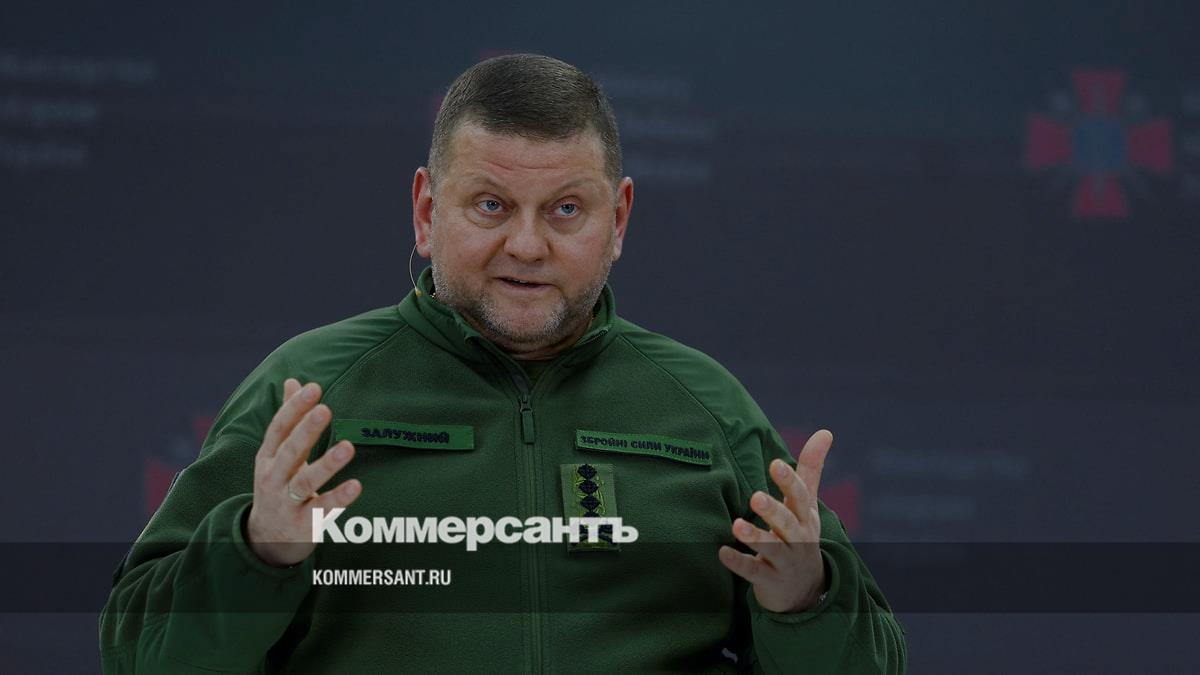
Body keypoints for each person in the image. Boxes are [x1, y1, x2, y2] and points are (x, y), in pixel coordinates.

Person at [100, 53, 906, 673]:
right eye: (490, 205)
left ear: (618, 220)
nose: (526, 244)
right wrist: (255, 553)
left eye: (565, 210)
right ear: (427, 211)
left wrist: (803, 600)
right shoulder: (311, 394)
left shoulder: (707, 410)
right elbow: (138, 654)